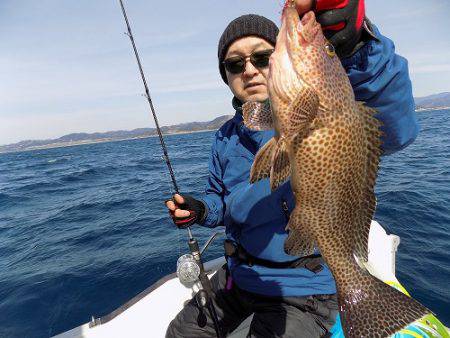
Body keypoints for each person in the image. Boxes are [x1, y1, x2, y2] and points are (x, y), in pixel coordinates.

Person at [165, 0, 420, 337]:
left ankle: (355, 295)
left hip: (304, 287)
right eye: (235, 63)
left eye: (262, 57)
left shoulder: (320, 110)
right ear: (225, 76)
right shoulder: (225, 137)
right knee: (179, 333)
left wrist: (357, 45)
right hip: (240, 277)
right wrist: (200, 210)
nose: (250, 70)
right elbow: (223, 204)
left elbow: (396, 129)